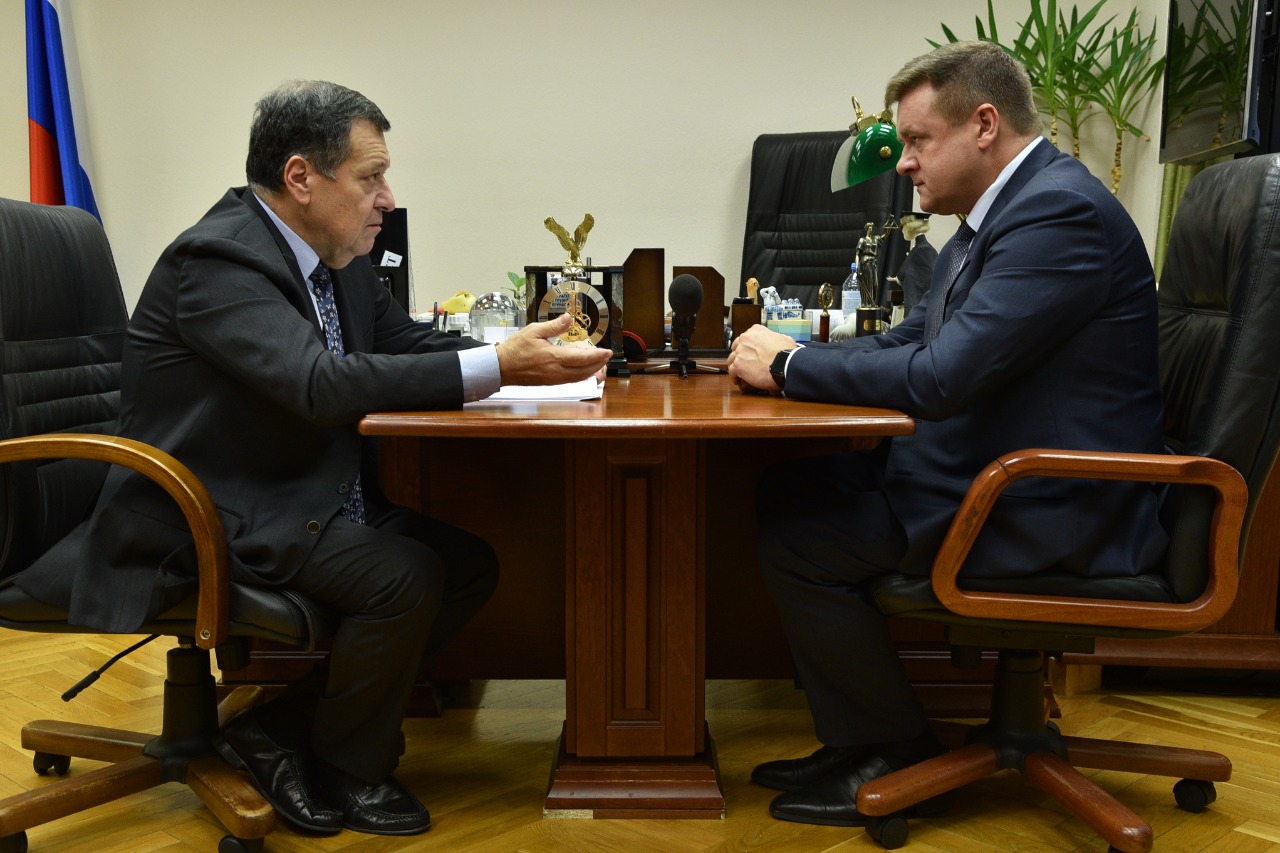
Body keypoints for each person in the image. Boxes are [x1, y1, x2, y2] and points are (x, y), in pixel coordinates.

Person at [17, 80, 610, 837]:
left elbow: (404, 343)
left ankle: (276, 731)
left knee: (468, 564)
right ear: (301, 177)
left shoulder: (337, 253)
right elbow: (316, 384)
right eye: (371, 177)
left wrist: (523, 359)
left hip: (291, 490)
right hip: (199, 510)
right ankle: (350, 768)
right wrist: (497, 367)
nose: (387, 198)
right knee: (404, 576)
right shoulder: (218, 260)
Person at [726, 41, 1168, 827]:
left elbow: (941, 378)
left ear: (984, 125)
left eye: (917, 140)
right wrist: (794, 358)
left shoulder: (1056, 214)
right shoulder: (996, 214)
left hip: (1055, 503)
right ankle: (859, 739)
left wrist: (790, 367)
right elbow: (912, 340)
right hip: (1006, 475)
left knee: (805, 534)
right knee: (793, 488)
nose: (902, 162)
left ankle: (894, 748)